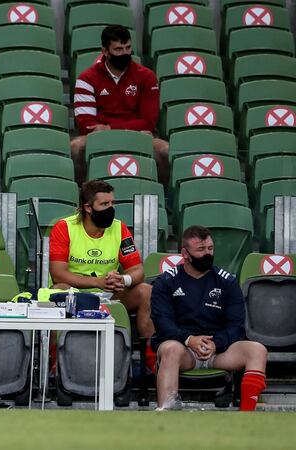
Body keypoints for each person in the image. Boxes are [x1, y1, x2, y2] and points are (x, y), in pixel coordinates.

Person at [151, 226, 268, 411]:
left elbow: (236, 326)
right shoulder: (166, 281)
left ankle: (248, 414)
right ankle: (166, 410)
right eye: (201, 250)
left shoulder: (227, 281)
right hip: (183, 350)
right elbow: (162, 322)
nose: (207, 254)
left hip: (218, 351)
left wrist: (216, 344)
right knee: (170, 349)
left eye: (210, 249)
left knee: (257, 350)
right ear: (185, 253)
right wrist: (190, 340)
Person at [49, 179, 155, 361]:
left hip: (109, 294)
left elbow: (137, 270)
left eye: (112, 203)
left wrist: (123, 280)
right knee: (59, 290)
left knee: (146, 291)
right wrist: (96, 282)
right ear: (88, 207)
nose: (111, 208)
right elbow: (58, 273)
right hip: (75, 294)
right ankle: (54, 360)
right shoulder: (64, 227)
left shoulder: (119, 228)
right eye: (105, 204)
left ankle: (151, 359)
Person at [70, 25, 169, 185]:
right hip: (102, 137)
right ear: (105, 52)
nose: (125, 53)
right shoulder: (86, 79)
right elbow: (86, 125)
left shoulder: (146, 76)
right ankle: (82, 197)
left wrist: (108, 127)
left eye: (128, 47)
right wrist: (125, 128)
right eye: (118, 49)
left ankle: (162, 201)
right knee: (76, 146)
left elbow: (149, 122)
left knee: (164, 150)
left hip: (137, 136)